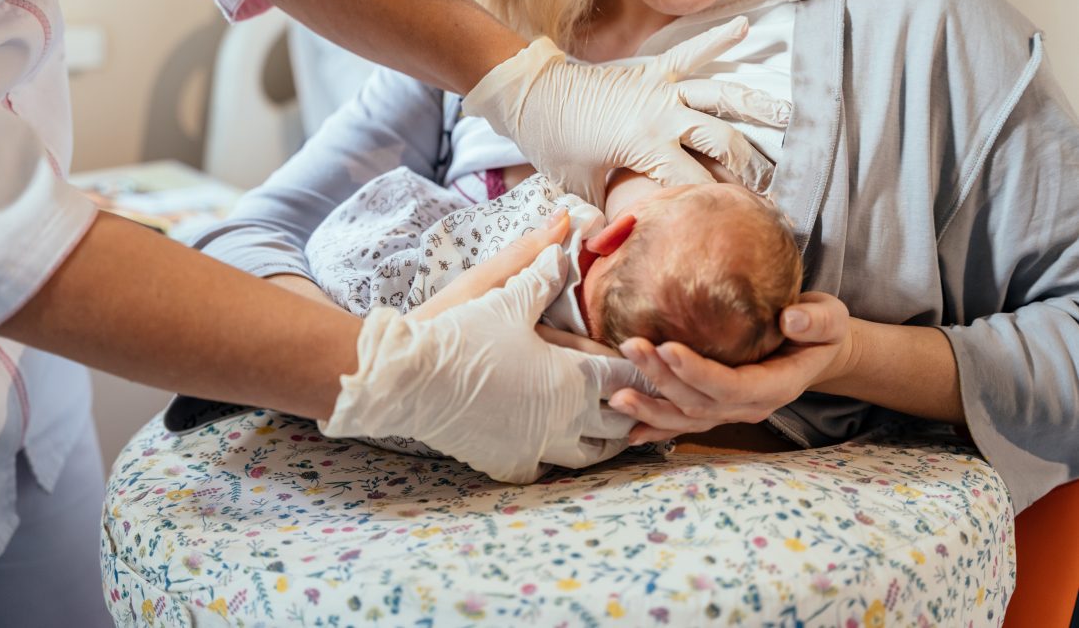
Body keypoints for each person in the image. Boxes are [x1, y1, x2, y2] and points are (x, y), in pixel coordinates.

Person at [0, 0, 792, 624]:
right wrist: (387, 370)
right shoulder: (484, 39)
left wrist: (520, 80)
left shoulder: (862, 36)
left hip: (30, 377)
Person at [205, 0, 1078, 525]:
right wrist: (392, 365)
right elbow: (238, 251)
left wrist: (843, 357)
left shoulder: (932, 34)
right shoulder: (476, 30)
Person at [302, 163, 801, 477]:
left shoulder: (565, 227)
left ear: (612, 236)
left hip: (366, 281)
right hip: (397, 386)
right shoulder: (640, 398)